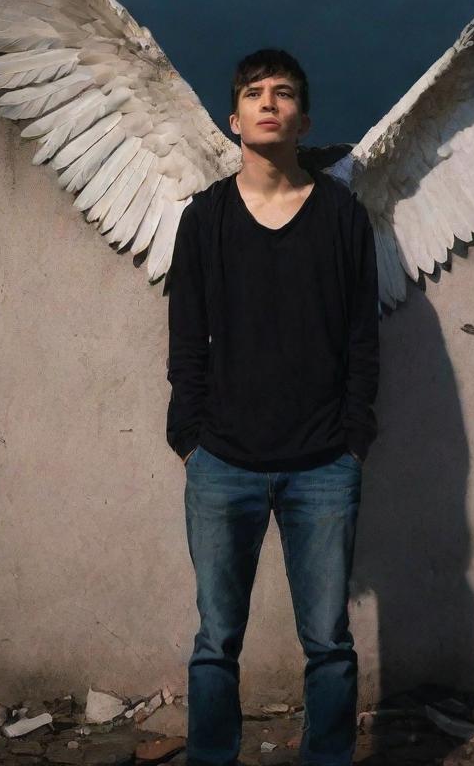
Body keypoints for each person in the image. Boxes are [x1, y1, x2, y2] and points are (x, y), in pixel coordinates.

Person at [165, 49, 380, 766]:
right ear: (233, 120)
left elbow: (361, 337)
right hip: (222, 461)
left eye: (283, 94)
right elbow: (187, 338)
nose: (268, 103)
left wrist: (355, 437)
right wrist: (188, 436)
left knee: (329, 644)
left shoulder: (344, 218)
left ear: (303, 118)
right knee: (214, 642)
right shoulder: (205, 220)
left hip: (324, 465)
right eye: (254, 94)